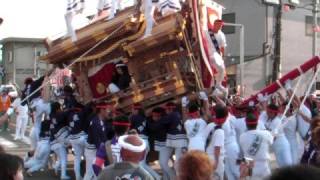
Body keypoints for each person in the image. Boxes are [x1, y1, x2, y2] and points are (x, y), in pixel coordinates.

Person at [130, 103, 161, 180]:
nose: (132, 111)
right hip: (146, 142)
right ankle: (157, 177)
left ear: (137, 110)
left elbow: (128, 128)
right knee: (142, 164)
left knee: (141, 165)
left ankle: (156, 177)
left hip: (140, 142)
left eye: (133, 109)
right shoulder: (144, 118)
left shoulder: (134, 117)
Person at [240, 111, 273, 179]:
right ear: (257, 123)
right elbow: (271, 142)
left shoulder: (242, 136)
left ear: (246, 124)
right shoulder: (266, 134)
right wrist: (273, 134)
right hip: (263, 166)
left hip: (250, 167)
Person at [146, 107, 175, 180]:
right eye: (153, 116)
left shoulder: (162, 121)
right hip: (161, 145)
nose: (154, 118)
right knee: (163, 164)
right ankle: (166, 178)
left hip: (166, 145)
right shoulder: (159, 121)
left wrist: (147, 118)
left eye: (156, 116)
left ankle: (173, 177)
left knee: (163, 163)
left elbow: (152, 127)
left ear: (160, 115)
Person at [84, 103, 110, 180]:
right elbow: (97, 140)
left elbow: (103, 138)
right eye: (106, 110)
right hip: (92, 150)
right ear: (101, 110)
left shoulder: (101, 121)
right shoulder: (95, 122)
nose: (107, 112)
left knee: (98, 172)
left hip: (96, 149)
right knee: (90, 172)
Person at [164, 102, 187, 174]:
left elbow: (162, 122)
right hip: (180, 141)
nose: (165, 111)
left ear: (170, 109)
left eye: (166, 109)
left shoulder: (172, 115)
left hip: (179, 141)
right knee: (179, 162)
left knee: (179, 163)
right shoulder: (177, 114)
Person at [49, 102, 70, 180]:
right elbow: (65, 114)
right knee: (64, 159)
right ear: (57, 109)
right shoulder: (59, 115)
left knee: (62, 158)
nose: (61, 109)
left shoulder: (51, 115)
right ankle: (63, 175)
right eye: (60, 108)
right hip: (58, 142)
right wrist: (68, 110)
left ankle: (56, 167)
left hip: (53, 142)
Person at [206, 105, 226, 180]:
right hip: (216, 158)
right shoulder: (220, 131)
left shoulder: (211, 126)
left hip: (208, 156)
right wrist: (217, 162)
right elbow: (217, 147)